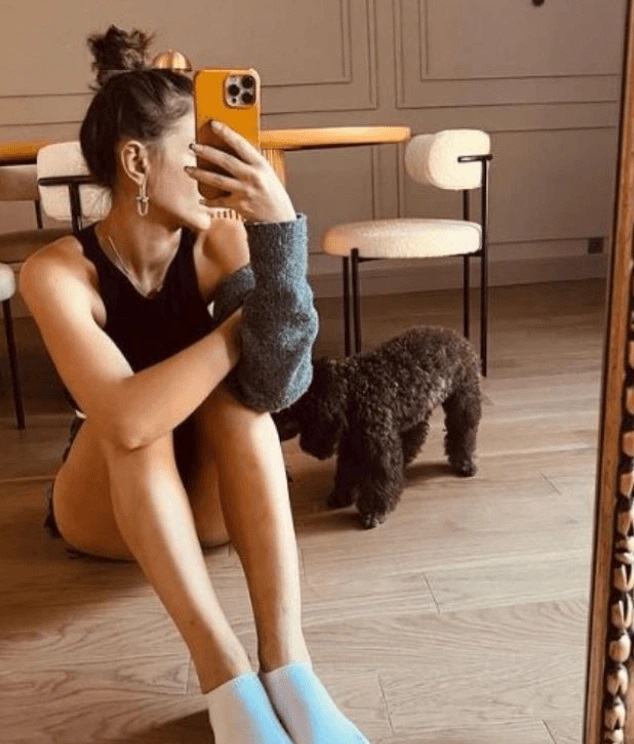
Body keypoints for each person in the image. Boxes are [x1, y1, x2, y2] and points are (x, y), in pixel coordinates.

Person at [20, 25, 371, 744]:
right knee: (137, 423)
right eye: (199, 154)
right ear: (136, 162)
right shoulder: (57, 273)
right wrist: (241, 325)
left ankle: (290, 669)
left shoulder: (221, 242)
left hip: (210, 507)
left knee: (241, 408)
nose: (219, 175)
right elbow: (124, 421)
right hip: (104, 512)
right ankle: (225, 677)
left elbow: (277, 386)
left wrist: (280, 236)